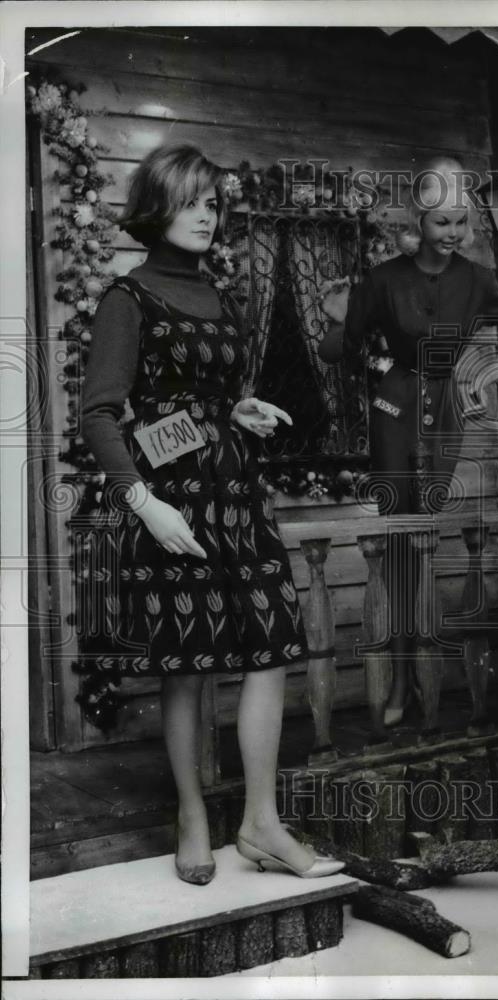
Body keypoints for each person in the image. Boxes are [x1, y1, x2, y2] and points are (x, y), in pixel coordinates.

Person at [81, 144, 343, 883]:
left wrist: (239, 411)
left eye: (213, 202)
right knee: (188, 667)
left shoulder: (218, 295)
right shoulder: (125, 301)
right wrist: (147, 505)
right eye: (191, 200)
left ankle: (261, 822)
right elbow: (100, 417)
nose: (207, 214)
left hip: (238, 495)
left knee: (269, 651)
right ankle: (192, 814)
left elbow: (196, 402)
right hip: (172, 507)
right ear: (157, 207)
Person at [318, 158, 498, 726]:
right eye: (441, 222)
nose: (453, 232)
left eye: (461, 221)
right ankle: (400, 685)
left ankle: (422, 680)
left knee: (426, 540)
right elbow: (338, 351)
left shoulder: (479, 280)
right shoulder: (385, 278)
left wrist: (479, 377)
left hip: (448, 414)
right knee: (399, 544)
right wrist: (336, 320)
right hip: (394, 407)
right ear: (420, 219)